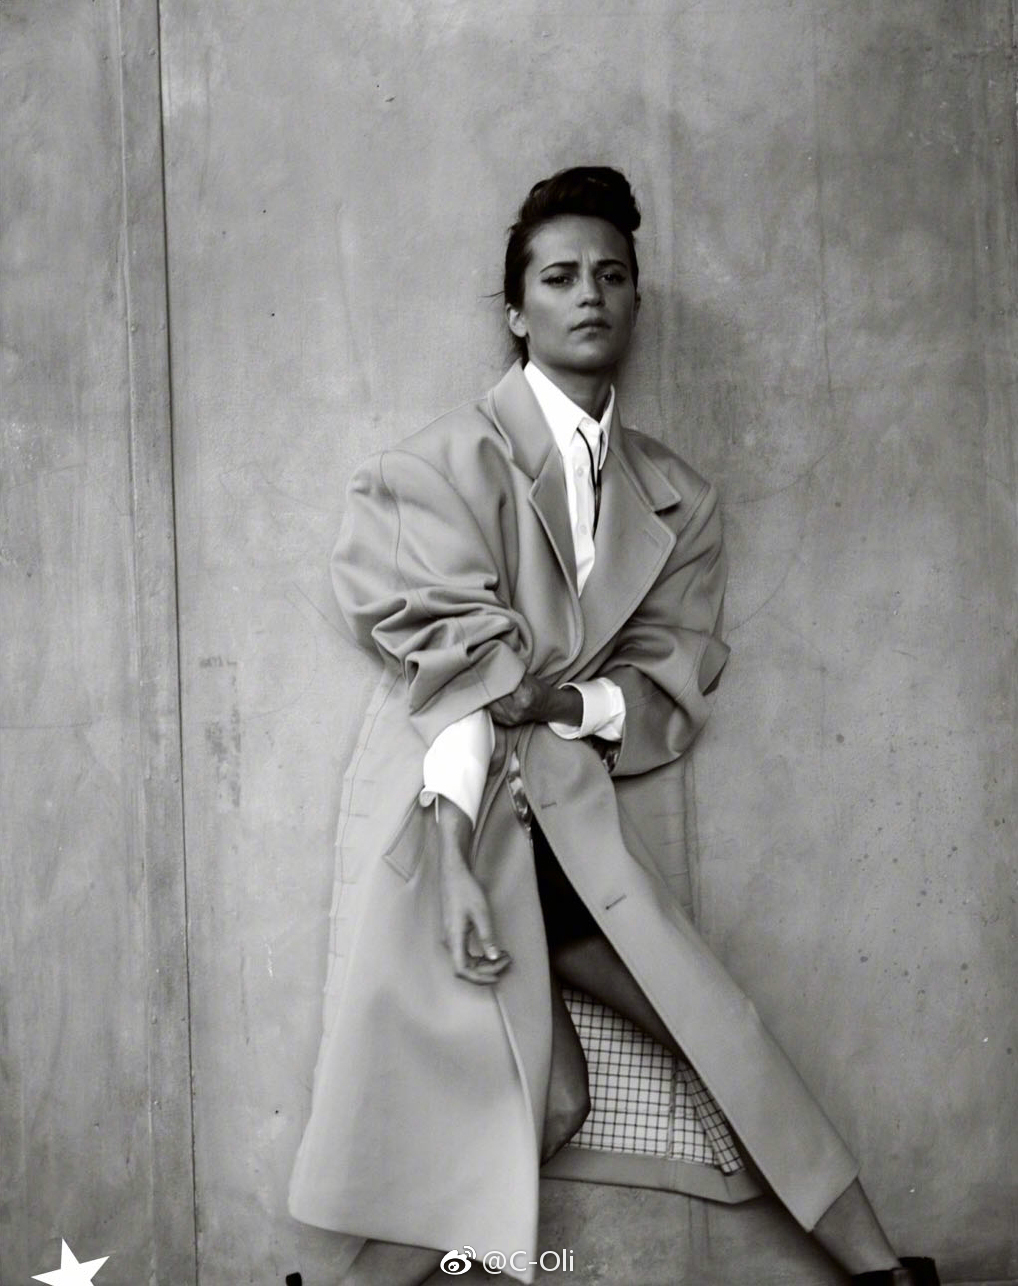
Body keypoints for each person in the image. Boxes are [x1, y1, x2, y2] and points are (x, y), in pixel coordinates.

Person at [287, 167, 940, 1286]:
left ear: (636, 298)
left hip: (564, 817)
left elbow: (667, 677)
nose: (587, 293)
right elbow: (461, 681)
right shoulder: (438, 466)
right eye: (558, 277)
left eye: (611, 274)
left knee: (699, 1029)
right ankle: (885, 1272)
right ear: (515, 310)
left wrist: (568, 702)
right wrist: (452, 854)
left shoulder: (675, 494)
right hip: (457, 815)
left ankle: (884, 1270)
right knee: (565, 1092)